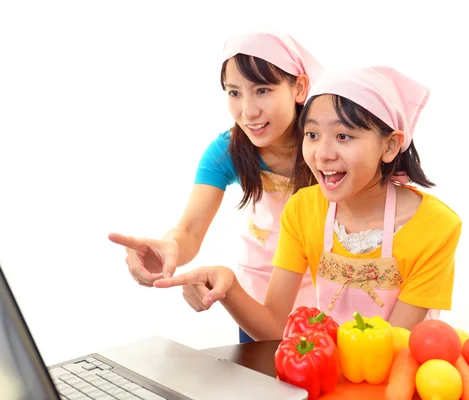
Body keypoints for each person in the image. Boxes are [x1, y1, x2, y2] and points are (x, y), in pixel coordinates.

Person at [153, 65, 463, 341]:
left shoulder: (435, 226)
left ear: (390, 144)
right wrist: (229, 287)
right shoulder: (303, 210)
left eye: (343, 136)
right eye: (312, 134)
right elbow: (275, 328)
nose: (322, 154)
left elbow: (393, 347)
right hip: (324, 379)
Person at [107, 31, 325, 344]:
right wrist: (169, 247)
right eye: (234, 93)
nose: (248, 111)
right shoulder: (228, 151)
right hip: (257, 302)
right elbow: (190, 230)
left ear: (299, 88)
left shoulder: (328, 150)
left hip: (330, 293)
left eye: (262, 90)